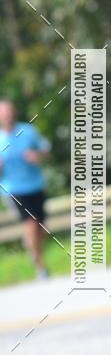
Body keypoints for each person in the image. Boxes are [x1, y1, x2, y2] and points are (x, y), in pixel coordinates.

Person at [0, 99, 51, 278]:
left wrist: (37, 155)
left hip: (35, 185)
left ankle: (33, 250)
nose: (7, 115)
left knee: (41, 227)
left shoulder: (28, 131)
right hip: (13, 189)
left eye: (9, 111)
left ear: (14, 112)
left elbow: (46, 151)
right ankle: (40, 267)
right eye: (3, 113)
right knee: (30, 223)